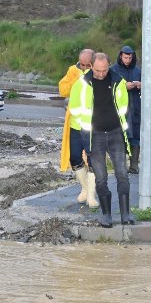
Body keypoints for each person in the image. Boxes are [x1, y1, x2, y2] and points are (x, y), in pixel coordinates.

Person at [72, 53, 133, 228]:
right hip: (95, 135)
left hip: (115, 133)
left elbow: (124, 107)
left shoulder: (118, 82)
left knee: (122, 173)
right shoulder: (82, 84)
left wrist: (122, 128)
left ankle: (125, 214)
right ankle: (106, 215)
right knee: (100, 177)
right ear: (92, 66)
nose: (101, 74)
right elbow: (74, 108)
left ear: (109, 66)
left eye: (104, 70)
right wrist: (85, 128)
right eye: (98, 70)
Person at [59, 49, 97, 207]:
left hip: (93, 125)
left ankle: (92, 195)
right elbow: (62, 90)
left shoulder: (99, 73)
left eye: (88, 65)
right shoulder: (72, 71)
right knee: (74, 157)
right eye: (82, 64)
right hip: (75, 123)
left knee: (94, 159)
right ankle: (85, 188)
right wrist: (77, 80)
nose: (84, 68)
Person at [110, 45, 142, 174]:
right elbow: (110, 87)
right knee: (121, 136)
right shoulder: (113, 70)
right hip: (120, 108)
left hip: (135, 107)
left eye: (130, 58)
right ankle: (121, 166)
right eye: (125, 57)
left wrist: (140, 85)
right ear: (120, 56)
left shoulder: (138, 70)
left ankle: (134, 166)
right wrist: (123, 86)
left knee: (135, 135)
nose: (128, 60)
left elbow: (147, 85)